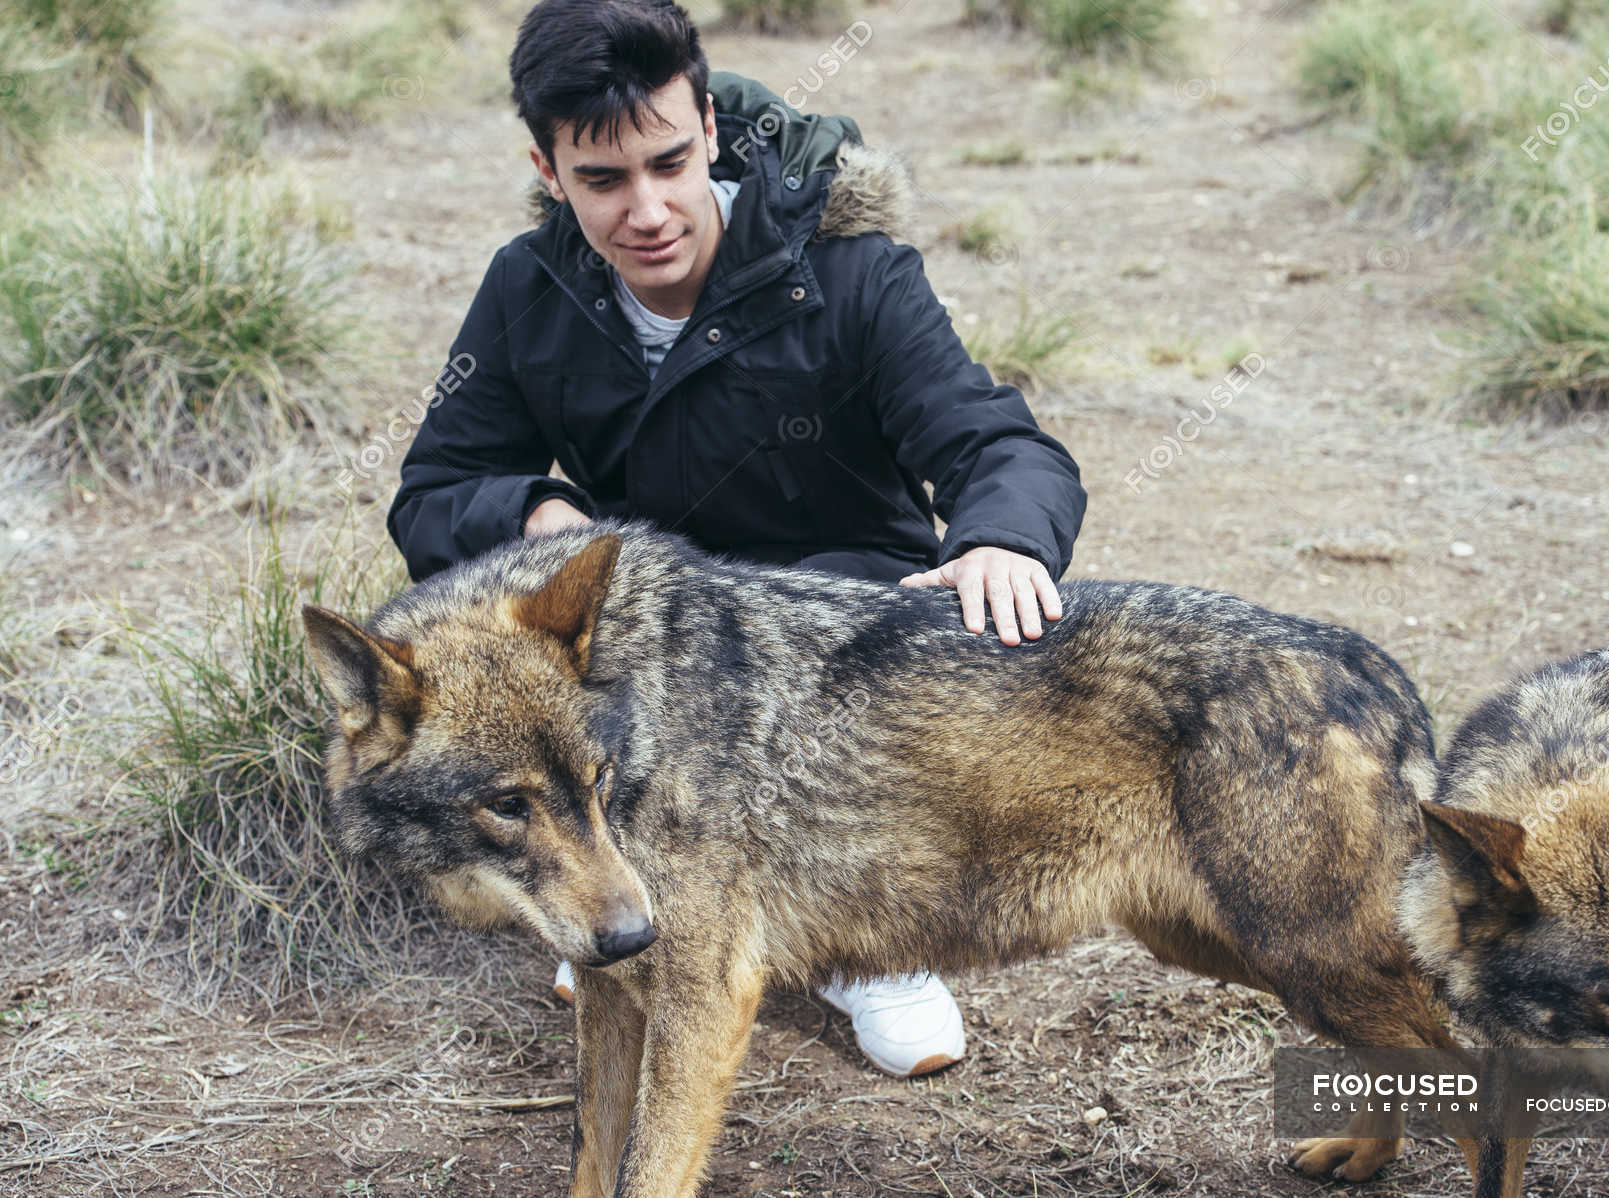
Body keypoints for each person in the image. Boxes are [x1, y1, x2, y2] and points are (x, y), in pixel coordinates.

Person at [386, 0, 1086, 1079]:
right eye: (603, 181)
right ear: (549, 166)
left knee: (878, 652)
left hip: (843, 622)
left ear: (709, 125)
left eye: (670, 162)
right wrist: (538, 518)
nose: (649, 210)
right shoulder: (529, 289)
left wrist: (1005, 539)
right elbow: (433, 490)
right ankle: (628, 888)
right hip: (653, 640)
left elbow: (999, 443)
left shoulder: (851, 272)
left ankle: (867, 943)